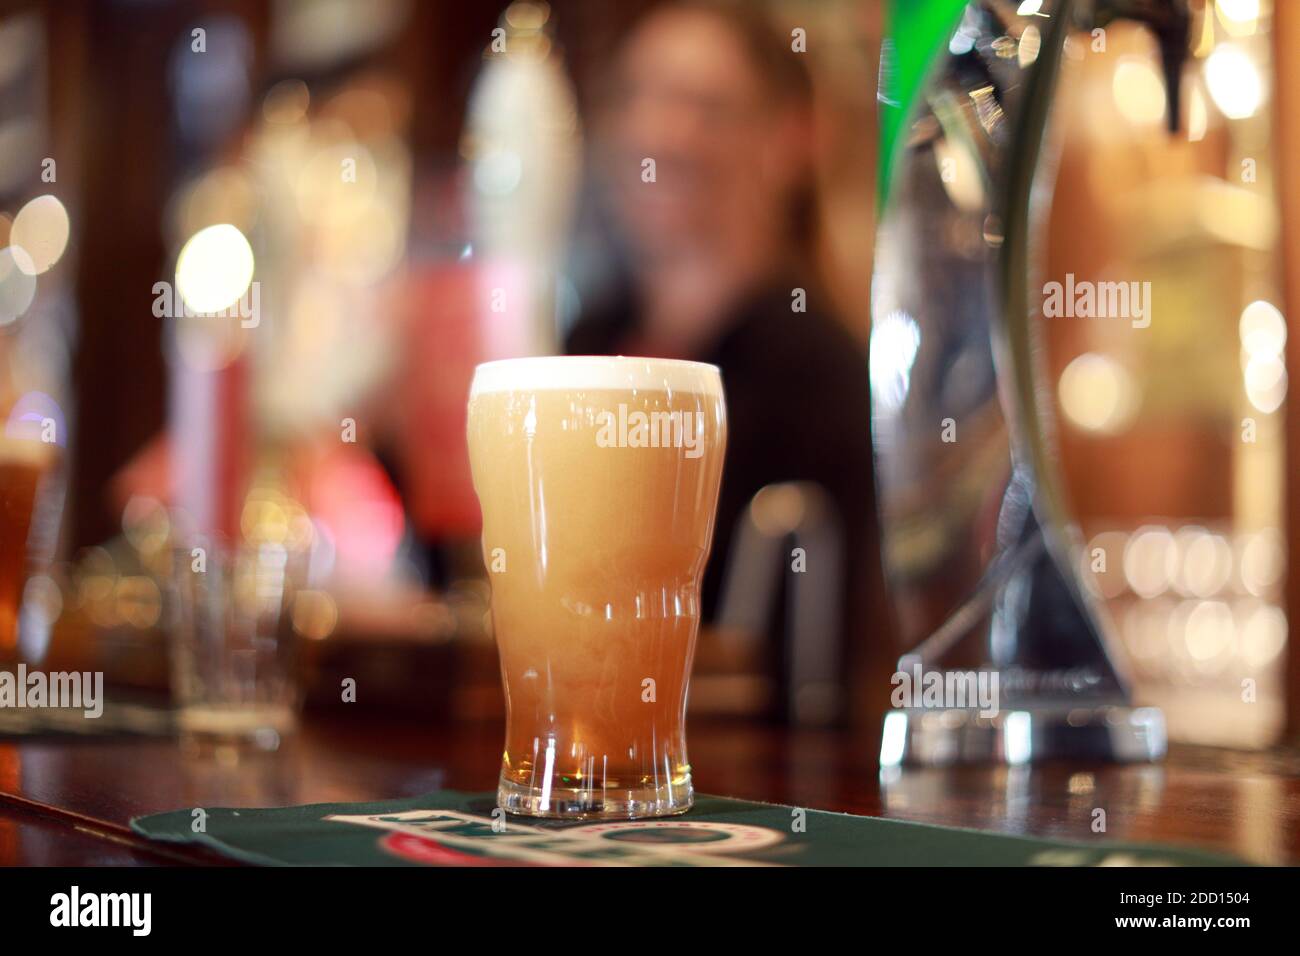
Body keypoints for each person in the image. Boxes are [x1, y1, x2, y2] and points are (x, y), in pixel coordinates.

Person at [565, 0, 878, 695]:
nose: (656, 132)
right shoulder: (584, 346)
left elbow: (807, 670)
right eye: (634, 98)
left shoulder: (814, 375)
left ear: (793, 138)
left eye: (703, 106)